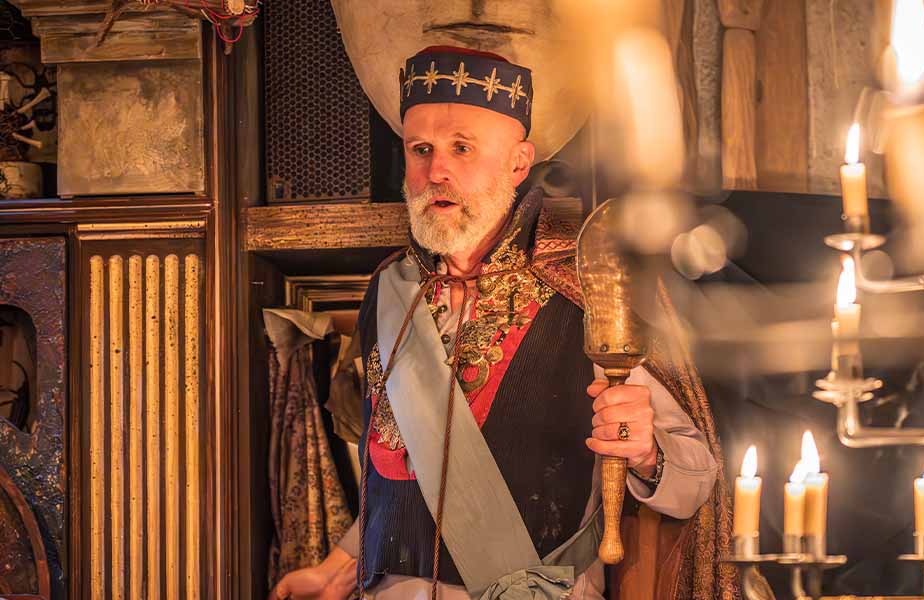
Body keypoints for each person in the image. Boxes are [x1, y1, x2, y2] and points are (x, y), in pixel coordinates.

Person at [272, 46, 721, 600]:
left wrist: (647, 450)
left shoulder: (590, 283)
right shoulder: (390, 291)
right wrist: (335, 571)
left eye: (462, 148)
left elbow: (694, 483)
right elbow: (401, 483)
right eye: (421, 149)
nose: (437, 170)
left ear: (517, 162)